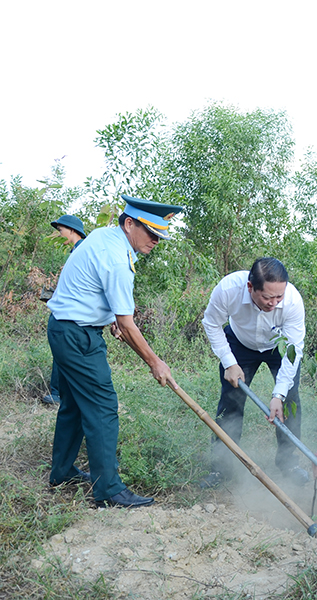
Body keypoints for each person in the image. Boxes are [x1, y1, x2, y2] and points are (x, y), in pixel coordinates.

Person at [47, 195, 182, 508]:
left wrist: (111, 319)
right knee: (103, 407)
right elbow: (127, 321)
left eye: (160, 236)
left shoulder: (105, 235)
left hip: (65, 329)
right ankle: (108, 490)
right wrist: (155, 362)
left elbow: (95, 291)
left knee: (74, 405)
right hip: (78, 337)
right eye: (151, 234)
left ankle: (62, 471)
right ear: (130, 223)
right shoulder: (118, 258)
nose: (156, 241)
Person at [201, 257, 307, 487]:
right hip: (240, 343)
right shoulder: (229, 289)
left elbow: (293, 349)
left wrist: (278, 395)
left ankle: (289, 464)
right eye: (268, 297)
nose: (274, 303)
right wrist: (229, 362)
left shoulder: (292, 301)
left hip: (279, 347)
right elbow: (211, 323)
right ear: (250, 287)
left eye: (279, 297)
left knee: (290, 401)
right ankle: (222, 468)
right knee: (231, 403)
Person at [42, 214, 87, 405]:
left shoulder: (82, 251)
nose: (59, 234)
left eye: (61, 230)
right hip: (74, 312)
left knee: (63, 353)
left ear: (72, 230)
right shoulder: (77, 251)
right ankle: (63, 393)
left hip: (73, 316)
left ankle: (58, 393)